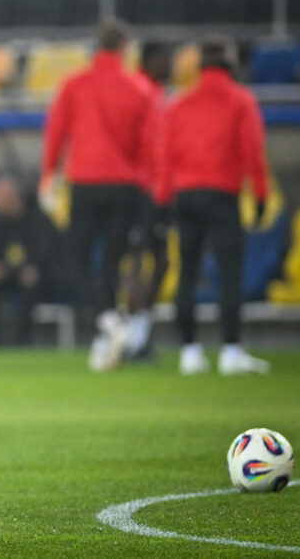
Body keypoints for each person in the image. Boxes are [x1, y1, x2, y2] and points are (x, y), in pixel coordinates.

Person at [40, 20, 157, 371]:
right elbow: (150, 145)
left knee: (76, 257)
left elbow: (56, 132)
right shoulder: (141, 87)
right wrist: (148, 188)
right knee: (111, 262)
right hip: (126, 186)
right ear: (125, 49)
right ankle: (107, 337)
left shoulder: (75, 84)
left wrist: (49, 175)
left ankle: (108, 321)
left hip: (86, 182)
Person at [154, 35, 270, 376]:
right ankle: (231, 350)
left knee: (187, 273)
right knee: (230, 274)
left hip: (186, 196)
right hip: (222, 194)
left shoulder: (179, 102)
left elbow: (165, 156)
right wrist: (260, 194)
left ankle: (190, 352)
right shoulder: (240, 100)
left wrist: (163, 199)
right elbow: (252, 150)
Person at [122, 41, 173, 360]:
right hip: (140, 190)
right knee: (138, 261)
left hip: (158, 190)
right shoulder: (139, 92)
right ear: (150, 61)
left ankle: (139, 334)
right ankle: (129, 338)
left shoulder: (158, 94)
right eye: (164, 60)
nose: (169, 66)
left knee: (160, 263)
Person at [0, 176, 64, 346]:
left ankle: (22, 340)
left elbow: (49, 253)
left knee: (31, 283)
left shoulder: (38, 220)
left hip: (42, 277)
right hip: (9, 273)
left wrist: (35, 268)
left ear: (12, 198)